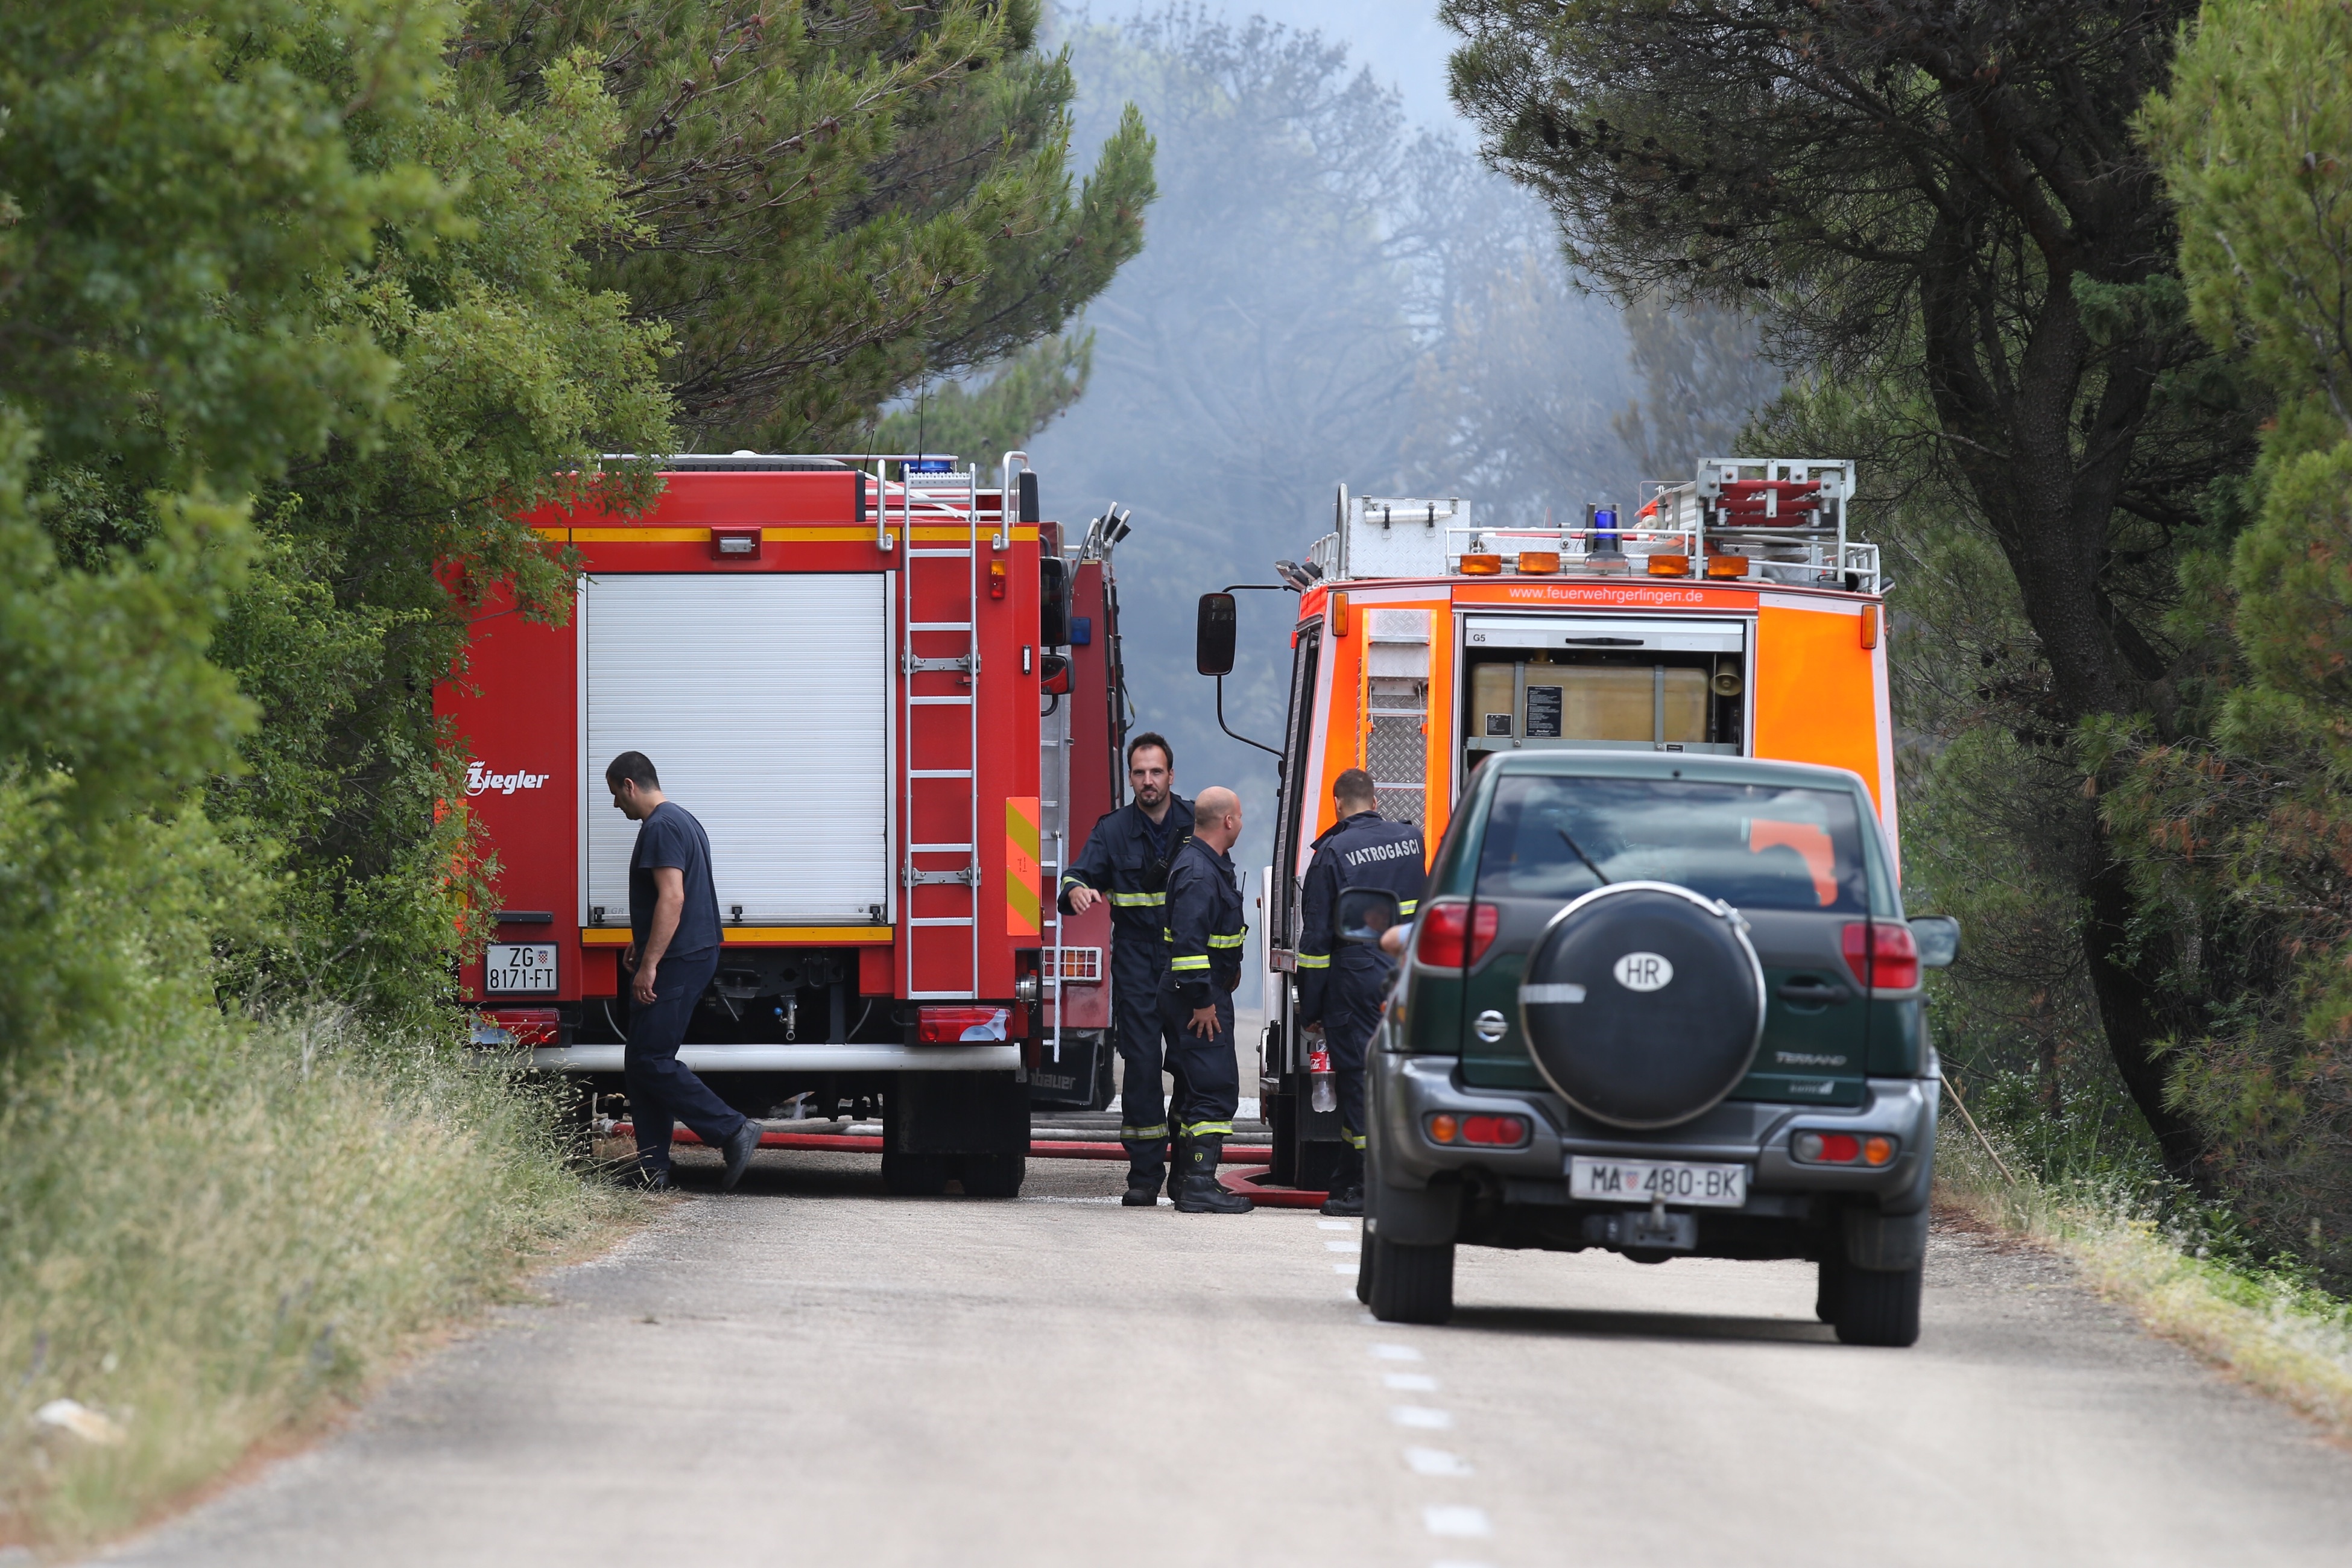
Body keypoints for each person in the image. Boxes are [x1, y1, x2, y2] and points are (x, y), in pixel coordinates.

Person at [607, 751, 762, 1192]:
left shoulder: (659, 826)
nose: (616, 805)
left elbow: (673, 898)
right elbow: (677, 897)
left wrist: (650, 965)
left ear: (629, 785)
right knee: (640, 1062)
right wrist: (643, 940)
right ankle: (651, 1169)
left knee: (650, 1059)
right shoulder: (683, 820)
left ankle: (733, 1131)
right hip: (688, 951)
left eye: (615, 794)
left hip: (680, 959)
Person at [1060, 733, 1196, 1206]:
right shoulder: (1113, 830)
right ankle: (1143, 1176)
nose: (1148, 781)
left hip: (1187, 962)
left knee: (1190, 1064)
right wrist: (1075, 891)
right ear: (1131, 778)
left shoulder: (1196, 824)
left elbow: (1222, 892)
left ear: (1171, 776)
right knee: (1141, 1066)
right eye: (1139, 773)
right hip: (1138, 962)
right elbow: (1078, 874)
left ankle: (1187, 1171)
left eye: (1156, 772)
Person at [1294, 768, 1426, 1216]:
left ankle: (1369, 1188)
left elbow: (1314, 944)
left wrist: (1309, 1008)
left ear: (1337, 803)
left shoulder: (1332, 852)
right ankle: (1349, 1180)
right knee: (1387, 1074)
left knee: (1358, 1080)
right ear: (1375, 798)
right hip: (1404, 969)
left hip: (1355, 976)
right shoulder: (1411, 840)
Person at [1160, 785, 1255, 1214]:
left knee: (1192, 1085)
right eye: (1240, 816)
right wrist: (1202, 1000)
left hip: (1199, 992)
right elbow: (1190, 946)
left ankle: (1184, 1180)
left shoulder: (1207, 865)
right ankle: (1199, 1183)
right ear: (1228, 821)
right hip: (1197, 998)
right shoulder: (1200, 873)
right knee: (1214, 1088)